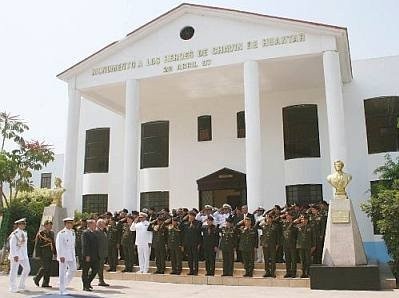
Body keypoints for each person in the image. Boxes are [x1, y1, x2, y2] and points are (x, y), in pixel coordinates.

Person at [8, 218, 30, 293]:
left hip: (23, 255)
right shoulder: (14, 234)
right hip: (16, 255)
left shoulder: (24, 233)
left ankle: (21, 284)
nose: (23, 225)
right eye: (22, 224)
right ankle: (12, 287)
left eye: (24, 224)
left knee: (27, 269)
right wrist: (15, 255)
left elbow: (24, 245)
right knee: (14, 271)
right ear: (18, 225)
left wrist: (26, 254)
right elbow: (12, 245)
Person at [56, 217, 77, 295]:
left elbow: (72, 245)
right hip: (63, 255)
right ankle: (62, 289)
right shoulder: (61, 233)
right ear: (65, 224)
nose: (70, 224)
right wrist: (60, 255)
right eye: (68, 223)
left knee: (73, 269)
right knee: (62, 272)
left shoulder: (72, 232)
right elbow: (58, 245)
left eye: (71, 223)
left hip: (71, 254)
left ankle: (64, 284)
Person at [34, 219, 56, 288]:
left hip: (50, 252)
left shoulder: (51, 233)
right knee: (45, 267)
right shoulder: (41, 233)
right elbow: (37, 244)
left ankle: (45, 283)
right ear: (45, 225)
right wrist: (37, 254)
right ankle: (36, 278)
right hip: (43, 252)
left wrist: (55, 252)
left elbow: (53, 243)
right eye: (49, 225)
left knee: (48, 268)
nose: (50, 226)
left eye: (51, 225)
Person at [181, 211, 202, 275]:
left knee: (195, 258)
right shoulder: (185, 223)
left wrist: (199, 243)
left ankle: (196, 271)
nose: (190, 217)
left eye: (192, 216)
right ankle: (191, 270)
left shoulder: (198, 223)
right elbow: (182, 231)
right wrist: (184, 219)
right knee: (189, 258)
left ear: (194, 216)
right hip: (188, 243)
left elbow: (198, 232)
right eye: (189, 215)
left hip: (195, 243)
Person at [81, 219, 99, 291]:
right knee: (85, 271)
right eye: (94, 224)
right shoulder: (85, 233)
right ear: (89, 225)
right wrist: (87, 255)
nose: (95, 226)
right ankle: (85, 286)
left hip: (94, 255)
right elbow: (85, 245)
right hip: (87, 255)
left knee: (95, 269)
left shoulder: (94, 232)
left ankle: (88, 282)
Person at [281, 211, 297, 278]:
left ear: (291, 216)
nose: (287, 216)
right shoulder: (284, 224)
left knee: (293, 259)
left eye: (289, 215)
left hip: (292, 244)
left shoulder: (294, 224)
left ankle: (293, 272)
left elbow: (296, 235)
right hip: (286, 244)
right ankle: (288, 272)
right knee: (287, 259)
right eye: (287, 215)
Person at [95, 219, 109, 286]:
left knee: (100, 268)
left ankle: (100, 280)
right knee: (98, 268)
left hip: (102, 253)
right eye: (103, 223)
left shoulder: (103, 231)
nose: (105, 224)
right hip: (99, 253)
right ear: (100, 224)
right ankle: (101, 281)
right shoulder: (97, 231)